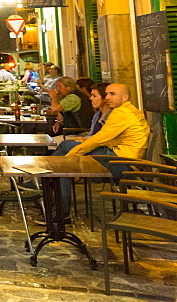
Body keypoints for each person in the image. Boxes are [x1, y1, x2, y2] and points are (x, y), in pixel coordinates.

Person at [53, 83, 150, 213]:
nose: (107, 97)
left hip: (123, 163)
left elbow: (100, 139)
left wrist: (72, 155)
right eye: (107, 94)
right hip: (121, 158)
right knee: (63, 160)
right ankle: (55, 199)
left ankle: (57, 205)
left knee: (63, 160)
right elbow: (107, 139)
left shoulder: (122, 113)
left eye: (112, 94)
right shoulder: (127, 110)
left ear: (125, 97)